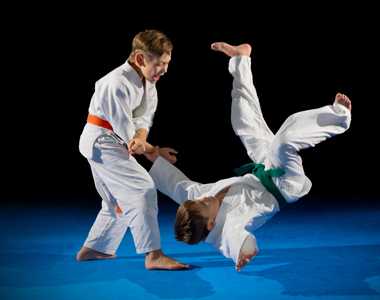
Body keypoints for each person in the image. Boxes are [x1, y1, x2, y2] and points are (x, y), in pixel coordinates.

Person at [144, 42, 352, 272]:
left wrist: (155, 159)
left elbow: (177, 186)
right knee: (282, 143)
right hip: (284, 185)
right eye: (203, 205)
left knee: (243, 124)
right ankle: (340, 116)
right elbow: (235, 240)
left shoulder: (201, 200)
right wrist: (244, 252)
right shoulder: (225, 229)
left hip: (265, 167)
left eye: (198, 200)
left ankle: (240, 59)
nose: (205, 198)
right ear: (212, 224)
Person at [77, 29, 189, 270]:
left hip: (111, 141)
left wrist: (143, 140)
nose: (165, 70)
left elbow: (142, 122)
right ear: (140, 59)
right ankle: (154, 255)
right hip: (102, 142)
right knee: (142, 188)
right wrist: (154, 151)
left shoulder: (148, 83)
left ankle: (95, 248)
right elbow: (126, 132)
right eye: (160, 64)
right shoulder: (115, 83)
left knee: (117, 200)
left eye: (168, 63)